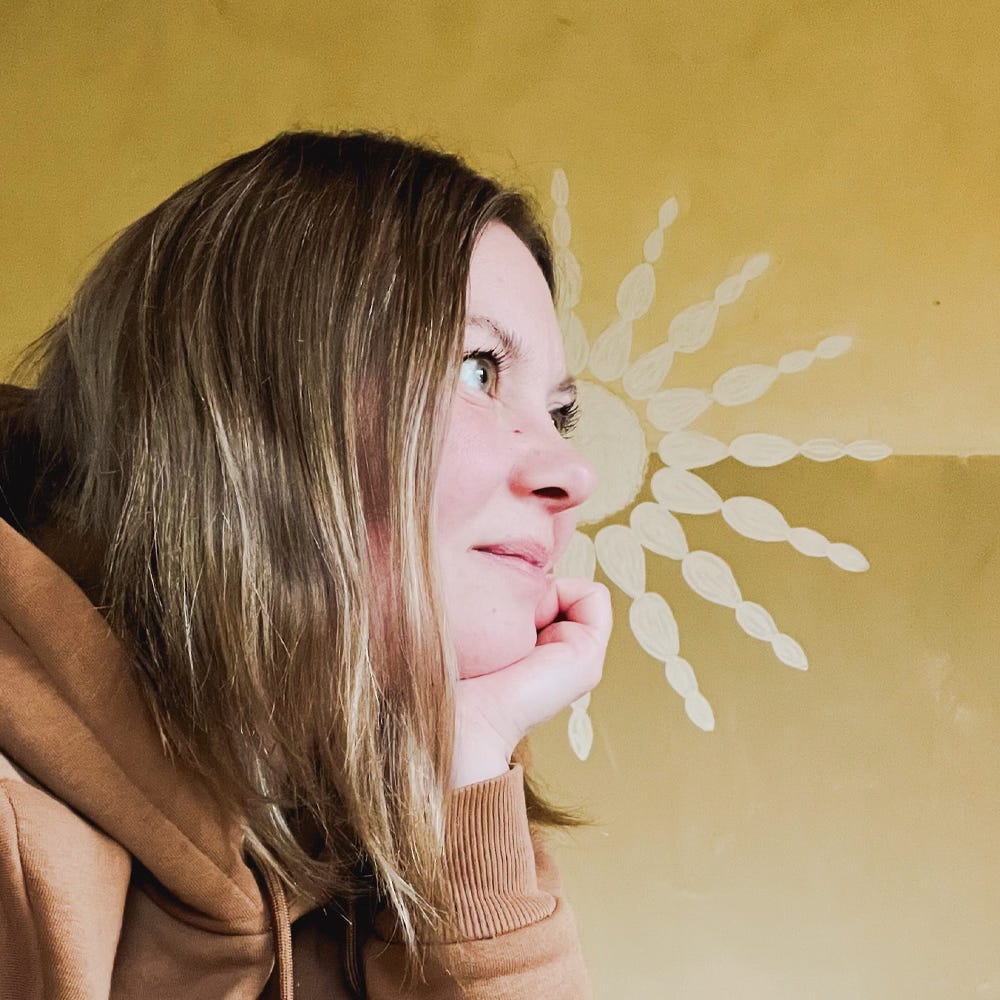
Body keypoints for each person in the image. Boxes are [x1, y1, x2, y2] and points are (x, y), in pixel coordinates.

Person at [0, 130, 611, 998]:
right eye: (477, 370)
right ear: (256, 401)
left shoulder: (356, 807)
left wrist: (462, 761)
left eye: (559, 413)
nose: (572, 472)